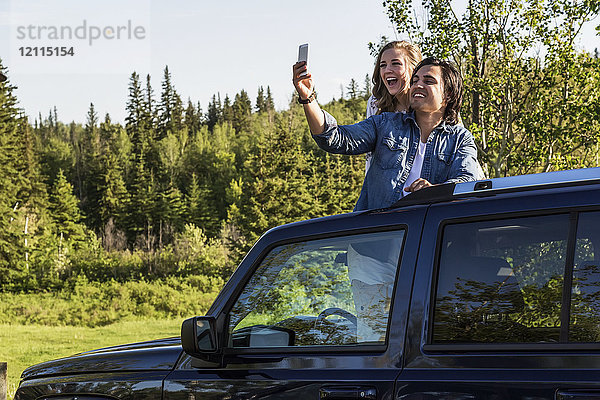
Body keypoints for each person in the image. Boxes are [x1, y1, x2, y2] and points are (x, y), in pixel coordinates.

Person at [292, 56, 480, 211]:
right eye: (415, 80)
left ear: (448, 94)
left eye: (428, 81)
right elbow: (334, 138)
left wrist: (434, 191)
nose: (418, 85)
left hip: (427, 245)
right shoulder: (384, 124)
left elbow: (467, 181)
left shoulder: (460, 139)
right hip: (373, 244)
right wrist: (307, 97)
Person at [365, 41, 423, 172]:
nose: (387, 70)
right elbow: (372, 156)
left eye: (396, 64)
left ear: (414, 69)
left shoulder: (432, 101)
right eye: (383, 65)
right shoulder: (376, 104)